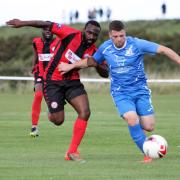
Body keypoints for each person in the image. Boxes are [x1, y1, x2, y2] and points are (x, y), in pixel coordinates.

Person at [58, 20, 180, 163]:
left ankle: (140, 130)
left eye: (121, 36)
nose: (119, 39)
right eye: (115, 36)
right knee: (132, 118)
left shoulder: (137, 44)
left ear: (125, 33)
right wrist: (69, 66)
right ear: (110, 35)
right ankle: (147, 153)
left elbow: (164, 50)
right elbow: (91, 62)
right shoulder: (105, 48)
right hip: (121, 92)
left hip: (140, 91)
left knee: (149, 126)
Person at [6, 19, 108, 162]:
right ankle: (52, 111)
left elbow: (105, 73)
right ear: (84, 30)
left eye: (95, 34)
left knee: (85, 112)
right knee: (58, 120)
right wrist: (22, 23)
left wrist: (96, 63)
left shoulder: (94, 51)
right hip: (53, 81)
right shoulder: (71, 34)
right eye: (89, 32)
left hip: (72, 82)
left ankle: (72, 152)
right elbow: (46, 24)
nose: (91, 36)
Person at [30, 27, 60, 137]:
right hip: (40, 73)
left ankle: (50, 108)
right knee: (38, 95)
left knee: (56, 99)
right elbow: (36, 55)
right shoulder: (36, 42)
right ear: (42, 31)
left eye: (50, 30)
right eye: (45, 29)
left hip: (53, 74)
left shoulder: (58, 42)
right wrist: (33, 66)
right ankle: (34, 127)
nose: (48, 31)